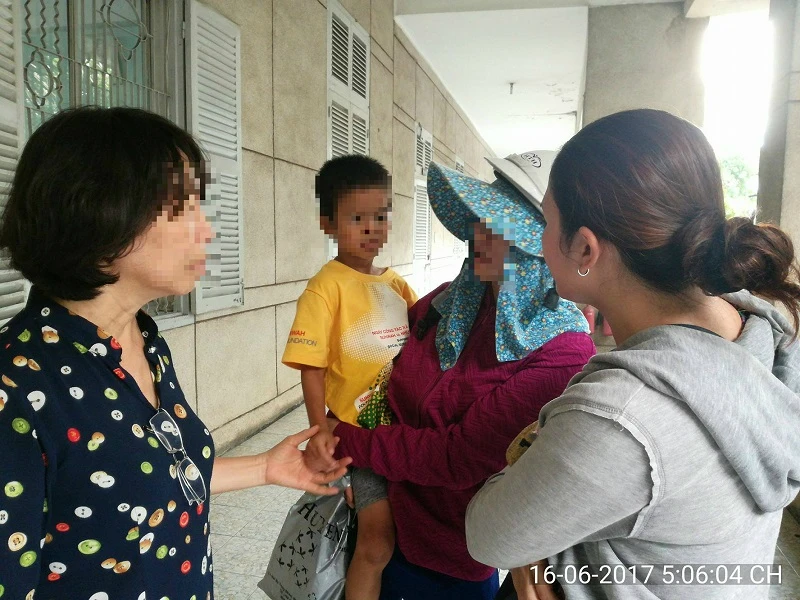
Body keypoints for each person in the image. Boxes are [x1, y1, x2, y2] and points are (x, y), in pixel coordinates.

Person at [0, 107, 350, 600]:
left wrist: (263, 468)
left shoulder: (145, 340)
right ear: (100, 211)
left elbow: (152, 476)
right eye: (183, 208)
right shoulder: (16, 387)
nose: (206, 231)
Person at [465, 109, 800, 600]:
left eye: (547, 221)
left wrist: (536, 543)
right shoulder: (765, 332)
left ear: (585, 249)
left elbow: (490, 536)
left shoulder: (621, 418)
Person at [319, 156, 596, 600]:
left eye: (500, 230)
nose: (480, 236)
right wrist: (354, 460)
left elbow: (457, 456)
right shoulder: (447, 303)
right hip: (382, 514)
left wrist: (349, 440)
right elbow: (373, 371)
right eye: (479, 221)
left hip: (450, 552)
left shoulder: (561, 351)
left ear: (538, 248)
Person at [281, 154, 417, 600]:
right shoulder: (326, 287)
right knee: (377, 544)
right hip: (360, 437)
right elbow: (312, 365)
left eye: (380, 216)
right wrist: (319, 430)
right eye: (357, 218)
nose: (372, 228)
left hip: (407, 434)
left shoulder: (396, 285)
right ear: (328, 224)